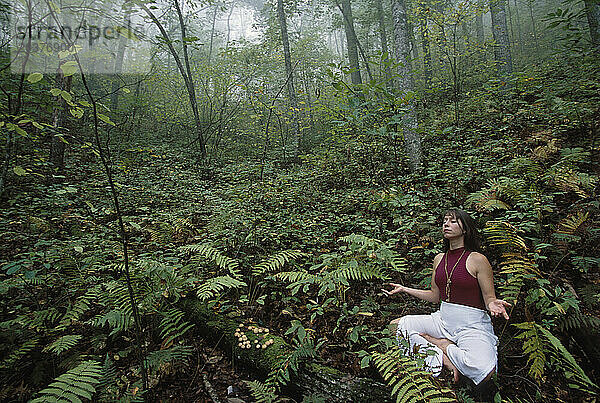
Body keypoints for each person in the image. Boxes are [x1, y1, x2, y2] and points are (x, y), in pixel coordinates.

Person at [382, 209, 510, 386]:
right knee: (396, 327)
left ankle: (442, 345)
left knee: (484, 370)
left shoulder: (478, 259)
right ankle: (444, 360)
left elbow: (489, 298)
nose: (446, 224)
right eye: (445, 221)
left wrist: (493, 304)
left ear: (465, 229)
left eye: (453, 221)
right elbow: (435, 296)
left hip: (471, 325)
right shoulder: (439, 259)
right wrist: (405, 289)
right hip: (443, 320)